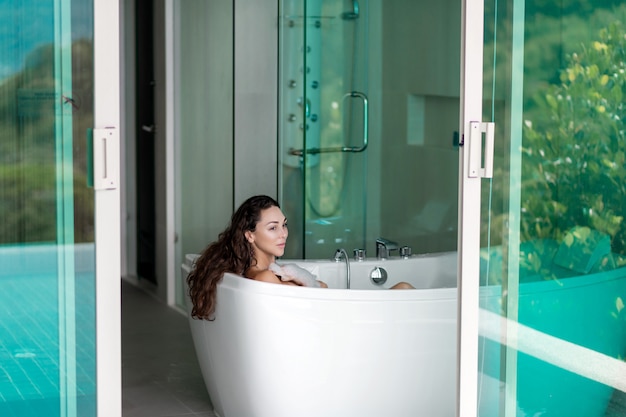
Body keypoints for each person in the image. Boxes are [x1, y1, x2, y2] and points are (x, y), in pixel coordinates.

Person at [187, 195, 412, 320]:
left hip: (336, 319)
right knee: (404, 290)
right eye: (273, 228)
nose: (284, 233)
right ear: (250, 235)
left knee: (402, 288)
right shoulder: (265, 277)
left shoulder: (273, 271)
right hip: (336, 326)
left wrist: (301, 279)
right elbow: (308, 309)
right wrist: (306, 282)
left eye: (284, 225)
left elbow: (317, 290)